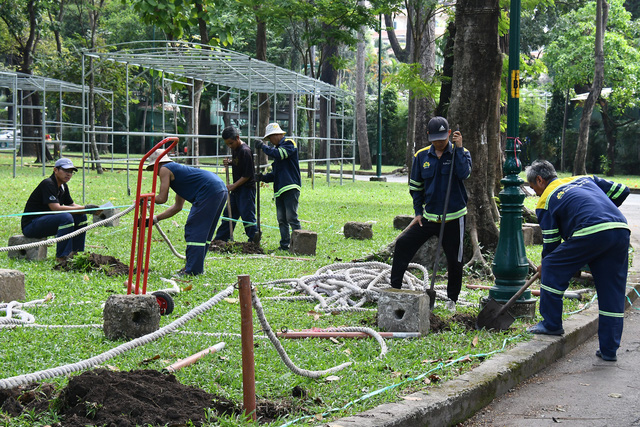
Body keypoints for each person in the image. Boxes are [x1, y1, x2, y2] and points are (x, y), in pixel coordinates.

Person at [525, 160, 630, 362]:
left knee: (552, 267)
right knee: (612, 291)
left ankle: (551, 324)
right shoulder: (584, 179)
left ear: (540, 180)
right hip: (619, 228)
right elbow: (621, 191)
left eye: (533, 188)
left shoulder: (546, 201)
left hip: (591, 231)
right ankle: (609, 350)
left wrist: (545, 266)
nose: (535, 194)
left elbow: (552, 244)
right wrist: (602, 210)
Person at [389, 116, 472, 312]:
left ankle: (452, 299)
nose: (439, 143)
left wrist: (458, 149)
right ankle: (395, 289)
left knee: (455, 259)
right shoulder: (421, 156)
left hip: (454, 217)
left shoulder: (461, 153)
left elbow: (464, 174)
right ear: (429, 136)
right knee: (403, 244)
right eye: (435, 139)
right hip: (429, 217)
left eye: (443, 139)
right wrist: (418, 212)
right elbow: (416, 187)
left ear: (450, 135)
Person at [146, 150, 227, 276]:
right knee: (204, 232)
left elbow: (162, 198)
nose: (155, 174)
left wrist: (145, 198)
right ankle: (194, 267)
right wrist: (155, 219)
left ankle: (192, 271)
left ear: (157, 164)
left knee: (194, 229)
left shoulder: (164, 169)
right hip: (220, 189)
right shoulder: (180, 176)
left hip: (209, 190)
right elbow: (177, 207)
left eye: (153, 169)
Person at [22, 158, 98, 263]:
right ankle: (62, 257)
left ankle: (75, 253)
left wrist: (90, 209)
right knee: (66, 217)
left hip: (47, 221)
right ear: (55, 170)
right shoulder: (48, 184)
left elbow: (71, 204)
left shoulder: (63, 186)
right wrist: (85, 209)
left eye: (71, 172)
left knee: (81, 217)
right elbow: (56, 208)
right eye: (66, 171)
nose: (69, 174)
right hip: (31, 225)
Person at [255, 122, 301, 250]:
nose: (270, 141)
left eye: (270, 138)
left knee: (291, 217)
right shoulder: (276, 152)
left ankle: (299, 243)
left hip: (290, 186)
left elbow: (280, 154)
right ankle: (284, 245)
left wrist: (263, 147)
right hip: (279, 190)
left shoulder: (289, 143)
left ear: (277, 134)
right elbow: (275, 175)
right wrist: (262, 177)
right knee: (281, 219)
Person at [213, 126, 258, 243]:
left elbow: (247, 175)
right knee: (229, 213)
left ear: (237, 138)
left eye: (231, 143)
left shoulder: (245, 151)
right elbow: (239, 163)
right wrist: (230, 162)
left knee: (247, 215)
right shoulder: (236, 149)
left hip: (246, 189)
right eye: (227, 144)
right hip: (237, 190)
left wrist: (233, 186)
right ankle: (221, 239)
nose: (230, 146)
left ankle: (253, 240)